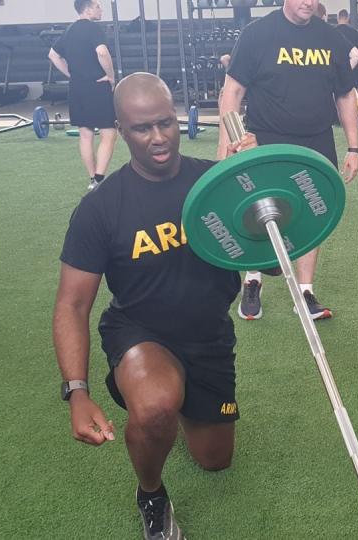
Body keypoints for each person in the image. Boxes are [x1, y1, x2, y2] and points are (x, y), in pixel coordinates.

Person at [52, 73, 258, 540]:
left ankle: (180, 402)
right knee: (156, 406)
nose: (159, 137)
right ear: (121, 130)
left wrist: (255, 186)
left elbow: (269, 264)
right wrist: (77, 391)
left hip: (208, 336)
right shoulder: (101, 208)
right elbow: (72, 304)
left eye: (166, 123)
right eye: (143, 128)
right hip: (141, 332)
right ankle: (151, 492)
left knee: (215, 461)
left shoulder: (214, 183)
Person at [218, 0, 358, 322]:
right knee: (260, 211)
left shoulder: (331, 38)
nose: (309, 3)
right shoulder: (258, 34)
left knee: (312, 214)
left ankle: (305, 292)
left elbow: (344, 94)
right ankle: (252, 281)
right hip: (266, 138)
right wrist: (229, 144)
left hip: (316, 141)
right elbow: (233, 91)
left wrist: (354, 148)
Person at [48, 0, 117, 190]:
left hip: (76, 87)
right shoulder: (94, 28)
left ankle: (92, 179)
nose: (100, 9)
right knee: (109, 133)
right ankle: (99, 178)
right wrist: (111, 76)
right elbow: (102, 52)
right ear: (87, 10)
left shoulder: (69, 30)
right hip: (97, 85)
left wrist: (71, 74)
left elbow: (52, 55)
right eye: (97, 6)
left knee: (85, 135)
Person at [336, 8, 358, 127]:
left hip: (339, 67)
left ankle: (339, 117)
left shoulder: (333, 32)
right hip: (354, 65)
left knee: (338, 92)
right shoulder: (354, 32)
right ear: (348, 18)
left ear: (338, 18)